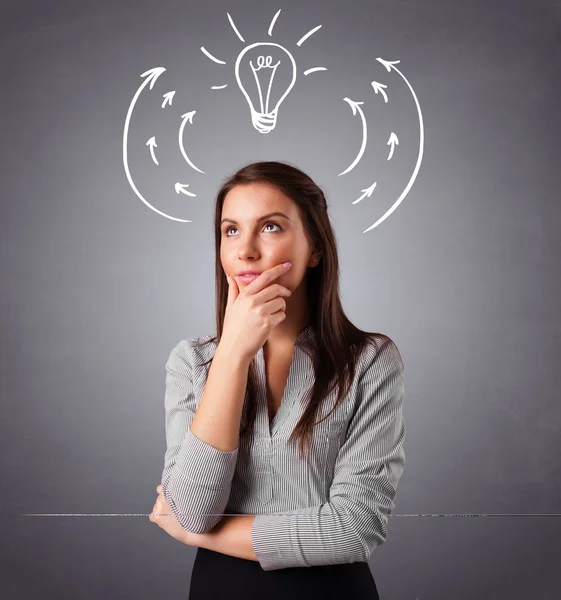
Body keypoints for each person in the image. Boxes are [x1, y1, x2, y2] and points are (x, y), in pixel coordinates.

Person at [160, 161, 406, 599]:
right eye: (231, 230)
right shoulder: (192, 361)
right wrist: (233, 354)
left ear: (314, 248)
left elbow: (353, 530)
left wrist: (202, 537)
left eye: (270, 227)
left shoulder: (369, 361)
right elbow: (195, 510)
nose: (246, 251)